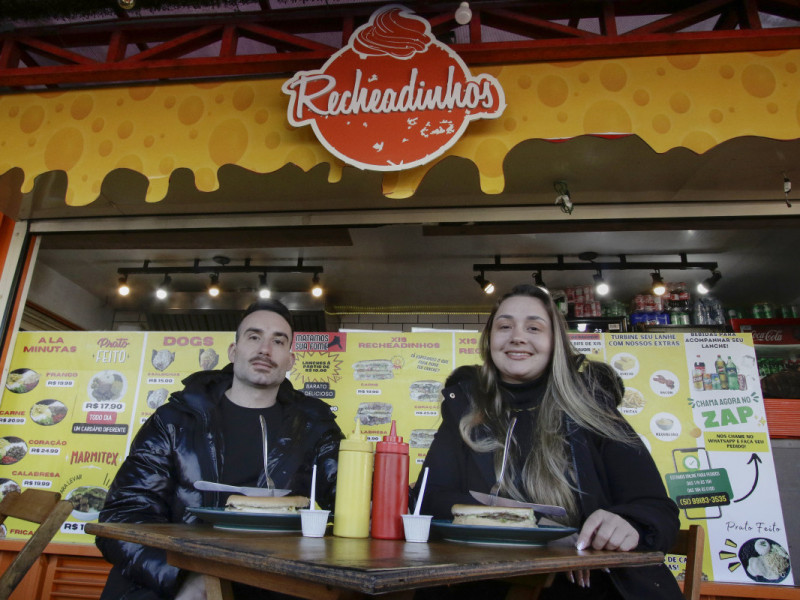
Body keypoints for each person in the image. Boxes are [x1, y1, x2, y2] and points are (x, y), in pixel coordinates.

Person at [413, 284, 682, 600]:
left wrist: (628, 522)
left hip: (589, 586)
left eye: (534, 327)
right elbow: (428, 500)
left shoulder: (594, 409)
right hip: (489, 582)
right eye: (504, 326)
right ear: (489, 341)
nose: (517, 336)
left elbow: (657, 509)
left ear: (555, 343)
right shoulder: (465, 410)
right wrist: (537, 528)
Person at [96, 298, 344, 600]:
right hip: (169, 584)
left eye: (278, 341)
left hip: (273, 583)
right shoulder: (175, 420)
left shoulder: (313, 426)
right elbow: (125, 514)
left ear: (291, 360)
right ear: (233, 350)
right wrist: (180, 579)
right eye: (254, 337)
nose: (265, 349)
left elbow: (350, 495)